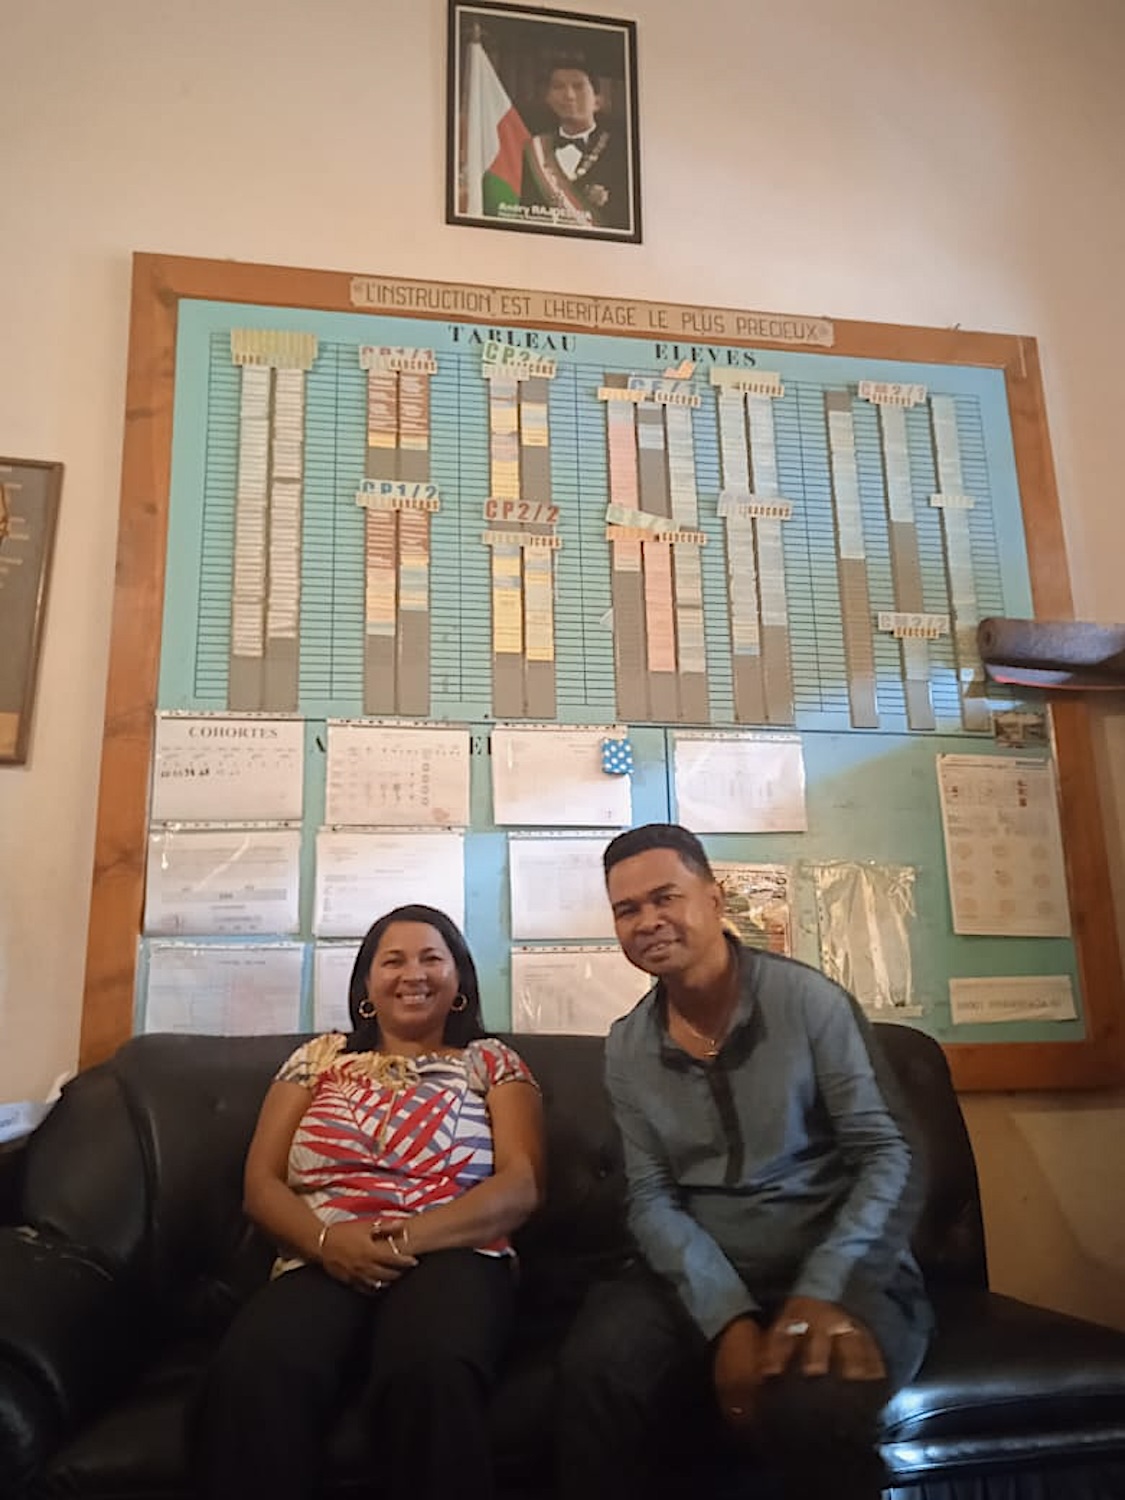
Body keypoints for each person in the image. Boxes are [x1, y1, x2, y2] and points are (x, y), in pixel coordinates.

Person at [555, 825, 933, 1500]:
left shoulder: (809, 1002)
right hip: (701, 1273)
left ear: (713, 897)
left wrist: (826, 1291)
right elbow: (649, 1197)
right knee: (596, 1373)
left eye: (664, 897)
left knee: (809, 1405)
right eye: (626, 910)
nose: (648, 921)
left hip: (838, 1264)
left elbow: (888, 1151)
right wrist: (726, 1317)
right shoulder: (627, 1047)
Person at [194, 904, 545, 1500]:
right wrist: (330, 1244)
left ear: (459, 981)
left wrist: (405, 1239)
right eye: (394, 961)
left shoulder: (491, 1061)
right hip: (320, 1251)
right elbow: (261, 1183)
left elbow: (521, 1184)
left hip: (453, 1251)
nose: (415, 973)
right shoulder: (319, 1059)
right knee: (256, 1371)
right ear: (366, 987)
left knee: (429, 1370)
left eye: (433, 959)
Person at [520, 55, 631, 232]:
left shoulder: (623, 151)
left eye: (578, 87)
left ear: (598, 101)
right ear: (548, 98)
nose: (569, 95)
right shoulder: (532, 150)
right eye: (558, 87)